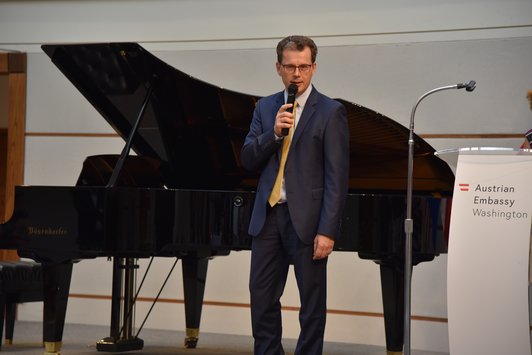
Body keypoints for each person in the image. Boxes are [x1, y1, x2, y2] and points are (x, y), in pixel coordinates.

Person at [240, 35, 350, 355]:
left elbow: (336, 178)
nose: (297, 74)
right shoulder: (265, 107)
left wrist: (328, 230)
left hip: (309, 221)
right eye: (290, 67)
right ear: (278, 68)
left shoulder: (331, 112)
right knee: (262, 299)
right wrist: (272, 134)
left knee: (311, 306)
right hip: (269, 217)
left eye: (304, 66)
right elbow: (247, 159)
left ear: (314, 68)